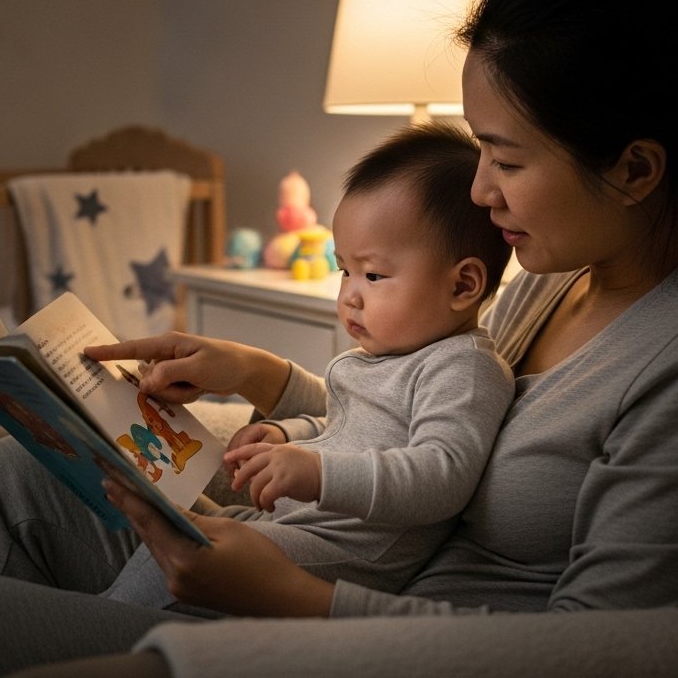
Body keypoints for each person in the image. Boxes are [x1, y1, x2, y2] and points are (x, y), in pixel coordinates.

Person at [0, 0, 678, 675]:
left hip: (364, 637)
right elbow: (420, 404)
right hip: (329, 562)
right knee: (8, 471)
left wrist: (292, 602)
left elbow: (600, 652)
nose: (478, 193)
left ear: (635, 168)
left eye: (506, 159)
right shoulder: (551, 282)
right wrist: (263, 379)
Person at [98, 122, 515, 608]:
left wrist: (318, 471)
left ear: (463, 285)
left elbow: (442, 475)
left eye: (374, 274)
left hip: (350, 555)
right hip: (300, 525)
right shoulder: (382, 358)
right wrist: (291, 434)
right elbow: (351, 430)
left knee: (185, 547)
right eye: (345, 271)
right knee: (157, 508)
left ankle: (98, 630)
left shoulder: (463, 369)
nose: (349, 296)